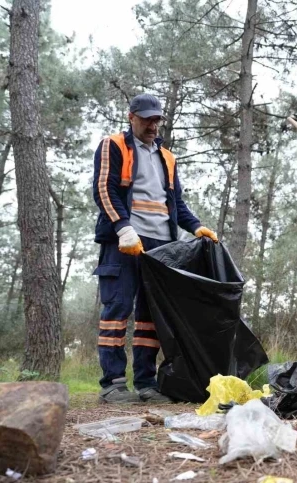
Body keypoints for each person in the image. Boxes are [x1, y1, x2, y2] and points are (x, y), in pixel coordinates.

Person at [92, 93, 218, 404]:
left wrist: (196, 226)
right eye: (146, 118)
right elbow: (103, 189)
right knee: (117, 311)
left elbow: (176, 203)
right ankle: (114, 383)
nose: (152, 124)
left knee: (151, 318)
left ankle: (147, 384)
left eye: (156, 119)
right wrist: (123, 228)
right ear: (131, 117)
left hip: (162, 246)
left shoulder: (168, 158)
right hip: (126, 241)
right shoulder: (114, 145)